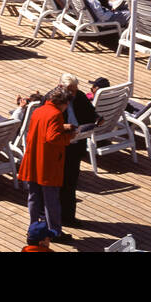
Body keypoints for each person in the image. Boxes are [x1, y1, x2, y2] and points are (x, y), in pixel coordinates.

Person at [18, 87, 75, 240]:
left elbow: (44, 129)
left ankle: (33, 228)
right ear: (62, 103)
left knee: (34, 197)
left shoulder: (39, 110)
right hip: (47, 163)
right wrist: (69, 137)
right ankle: (55, 232)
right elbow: (52, 138)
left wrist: (63, 127)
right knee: (51, 200)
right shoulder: (56, 114)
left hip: (33, 159)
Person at [57, 73, 97, 226]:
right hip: (61, 147)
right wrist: (63, 127)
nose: (74, 93)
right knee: (60, 184)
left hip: (77, 144)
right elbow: (46, 123)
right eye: (71, 90)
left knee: (71, 182)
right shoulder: (53, 99)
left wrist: (97, 120)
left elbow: (90, 113)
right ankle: (57, 218)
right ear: (61, 87)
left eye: (75, 89)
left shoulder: (79, 96)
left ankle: (69, 217)